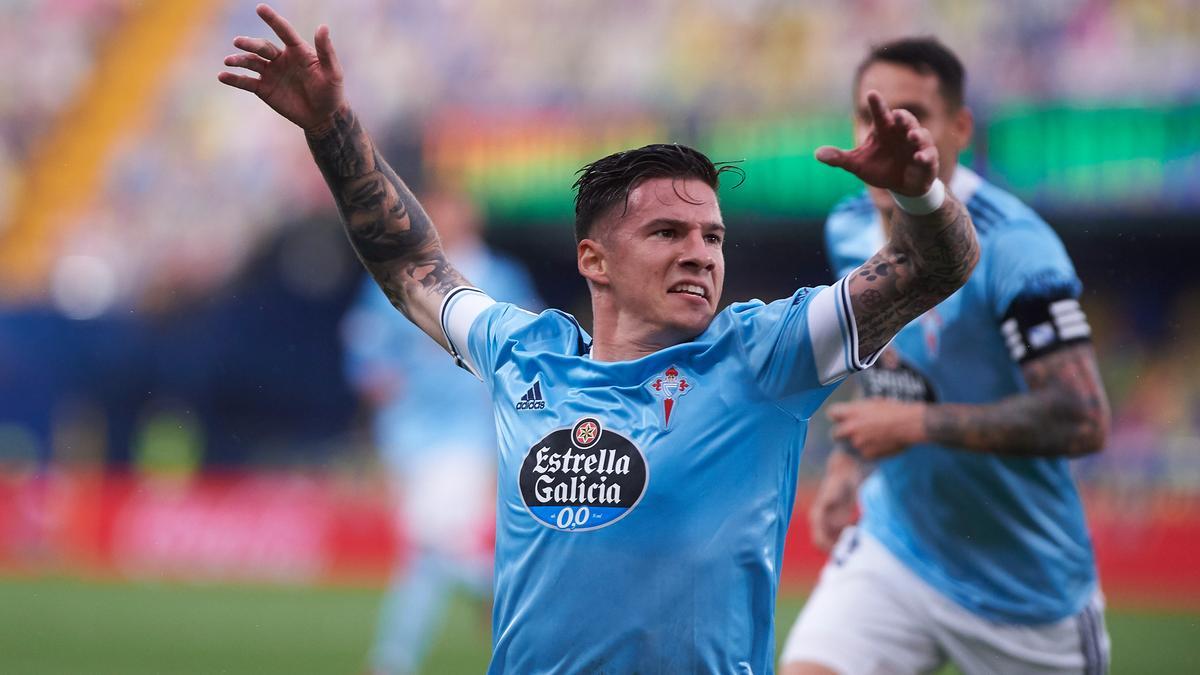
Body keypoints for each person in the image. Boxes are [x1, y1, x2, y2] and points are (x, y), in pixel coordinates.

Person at [219, 6, 979, 672]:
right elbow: (411, 264)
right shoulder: (524, 351)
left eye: (713, 236)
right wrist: (332, 127)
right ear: (593, 259)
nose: (701, 252)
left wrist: (919, 192)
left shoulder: (763, 356)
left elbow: (935, 267)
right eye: (667, 231)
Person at [780, 38, 1111, 675]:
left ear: (959, 128)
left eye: (911, 116)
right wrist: (850, 459)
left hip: (1026, 591)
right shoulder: (848, 222)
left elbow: (1083, 416)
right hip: (896, 552)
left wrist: (915, 427)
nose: (886, 134)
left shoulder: (1017, 247)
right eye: (869, 114)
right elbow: (886, 358)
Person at [341, 186, 541, 675]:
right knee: (429, 549)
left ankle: (394, 658)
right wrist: (381, 378)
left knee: (428, 541)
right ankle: (493, 591)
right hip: (407, 431)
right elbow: (364, 342)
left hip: (468, 432)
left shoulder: (502, 277)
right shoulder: (399, 274)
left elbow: (535, 346)